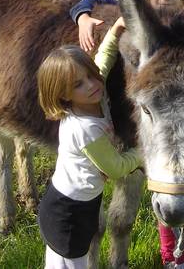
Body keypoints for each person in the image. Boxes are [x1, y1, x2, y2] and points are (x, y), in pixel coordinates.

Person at [67, 0, 184, 269]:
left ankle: (180, 258)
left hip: (180, 124)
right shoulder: (133, 22)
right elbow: (96, 1)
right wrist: (83, 15)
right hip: (141, 119)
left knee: (179, 182)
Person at [36, 38, 141, 269]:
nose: (92, 84)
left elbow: (102, 59)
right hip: (71, 213)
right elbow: (115, 168)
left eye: (91, 76)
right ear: (62, 94)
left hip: (64, 201)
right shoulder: (85, 128)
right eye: (78, 84)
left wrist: (114, 33)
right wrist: (142, 153)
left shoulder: (93, 97)